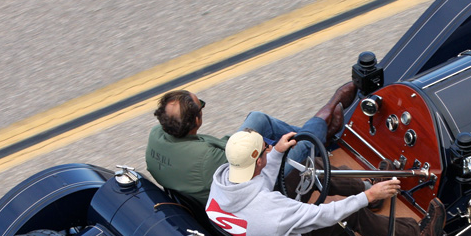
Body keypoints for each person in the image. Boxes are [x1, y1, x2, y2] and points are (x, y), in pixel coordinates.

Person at [206, 129, 445, 236]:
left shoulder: (225, 181)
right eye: (266, 148)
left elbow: (258, 182)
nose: (269, 148)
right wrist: (365, 198)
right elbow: (323, 215)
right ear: (258, 161)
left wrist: (277, 152)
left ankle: (368, 185)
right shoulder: (271, 213)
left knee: (310, 172)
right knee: (350, 213)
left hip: (258, 229)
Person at [146, 82, 356, 204]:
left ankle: (320, 136)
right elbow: (248, 168)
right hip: (253, 188)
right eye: (200, 104)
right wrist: (269, 151)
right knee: (298, 147)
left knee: (258, 119)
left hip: (221, 169)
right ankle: (326, 115)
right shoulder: (207, 160)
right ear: (197, 120)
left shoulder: (158, 134)